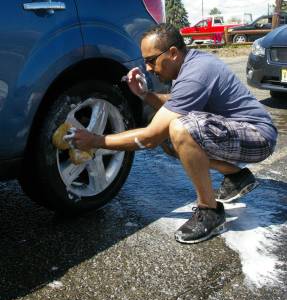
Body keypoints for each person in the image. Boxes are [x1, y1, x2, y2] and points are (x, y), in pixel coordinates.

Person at [71, 23, 277, 244]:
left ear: (172, 53)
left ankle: (210, 211)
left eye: (151, 60)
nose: (148, 68)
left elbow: (149, 138)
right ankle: (236, 176)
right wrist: (144, 94)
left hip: (258, 136)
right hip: (236, 131)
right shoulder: (189, 65)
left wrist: (96, 141)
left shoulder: (196, 73)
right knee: (171, 137)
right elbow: (176, 103)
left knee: (179, 129)